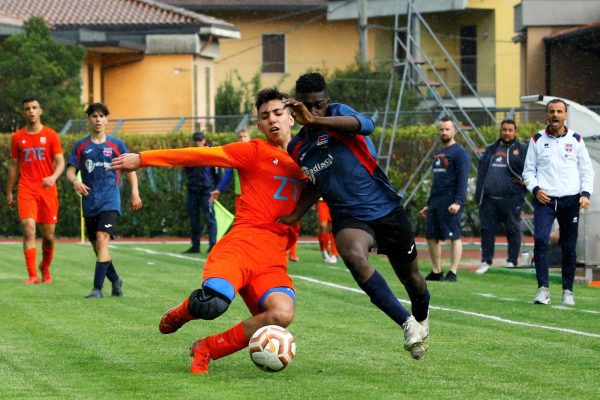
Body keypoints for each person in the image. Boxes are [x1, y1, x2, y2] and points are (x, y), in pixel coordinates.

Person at [108, 88, 305, 374]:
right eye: (265, 116)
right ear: (259, 125)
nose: (272, 120)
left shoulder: (310, 161)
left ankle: (208, 348)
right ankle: (184, 311)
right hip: (240, 247)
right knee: (212, 304)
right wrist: (143, 158)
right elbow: (199, 155)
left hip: (273, 260)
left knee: (281, 314)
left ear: (292, 117)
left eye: (278, 113)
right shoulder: (252, 152)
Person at [281, 72, 430, 360]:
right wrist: (294, 214)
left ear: (327, 102)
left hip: (385, 209)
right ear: (296, 107)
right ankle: (407, 322)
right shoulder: (297, 148)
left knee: (413, 280)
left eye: (319, 104)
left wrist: (318, 120)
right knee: (352, 254)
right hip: (349, 217)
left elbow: (368, 125)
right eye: (308, 106)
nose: (315, 110)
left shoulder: (338, 116)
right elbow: (316, 181)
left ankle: (421, 317)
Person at [66, 102, 142, 298]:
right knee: (98, 247)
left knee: (102, 239)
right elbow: (70, 170)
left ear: (106, 119)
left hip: (110, 200)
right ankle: (115, 279)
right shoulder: (81, 145)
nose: (98, 119)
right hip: (90, 202)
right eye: (94, 116)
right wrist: (75, 181)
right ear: (88, 120)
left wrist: (135, 192)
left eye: (101, 116)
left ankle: (97, 289)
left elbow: (130, 170)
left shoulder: (116, 145)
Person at [523, 99, 594, 305]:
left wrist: (586, 194)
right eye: (552, 111)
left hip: (570, 200)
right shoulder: (536, 140)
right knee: (541, 239)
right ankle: (543, 289)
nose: (555, 115)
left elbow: (586, 170)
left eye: (559, 112)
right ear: (547, 114)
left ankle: (567, 291)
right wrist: (535, 189)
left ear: (565, 115)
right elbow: (528, 171)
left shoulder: (576, 140)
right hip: (544, 200)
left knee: (569, 246)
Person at [6, 96, 65, 284]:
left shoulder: (51, 135)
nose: (31, 111)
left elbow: (60, 161)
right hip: (26, 189)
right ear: (23, 113)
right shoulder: (17, 137)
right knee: (28, 229)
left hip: (47, 189)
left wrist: (53, 177)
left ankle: (45, 268)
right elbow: (14, 166)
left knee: (48, 236)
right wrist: (9, 191)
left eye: (34, 108)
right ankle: (32, 274)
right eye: (27, 108)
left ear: (40, 111)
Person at [419, 117, 470, 282]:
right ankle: (436, 271)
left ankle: (453, 272)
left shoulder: (460, 153)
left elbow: (463, 180)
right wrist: (429, 204)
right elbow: (436, 181)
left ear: (454, 130)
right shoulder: (439, 153)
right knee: (431, 236)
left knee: (454, 236)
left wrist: (458, 202)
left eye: (447, 129)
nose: (444, 132)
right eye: (441, 129)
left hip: (451, 201)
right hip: (436, 201)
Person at [474, 119, 528, 274]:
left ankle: (511, 261)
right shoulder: (491, 148)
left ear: (515, 132)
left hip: (511, 199)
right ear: (500, 131)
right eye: (504, 129)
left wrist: (524, 183)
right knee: (487, 230)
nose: (507, 133)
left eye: (510, 130)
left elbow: (531, 169)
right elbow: (482, 171)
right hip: (490, 199)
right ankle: (486, 261)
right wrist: (480, 195)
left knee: (512, 230)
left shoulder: (521, 149)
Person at [182, 131, 220, 254]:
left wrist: (215, 188)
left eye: (200, 140)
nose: (198, 142)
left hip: (206, 191)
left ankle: (213, 245)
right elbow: (187, 172)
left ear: (204, 141)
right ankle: (195, 245)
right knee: (194, 219)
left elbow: (217, 174)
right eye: (196, 140)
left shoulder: (210, 155)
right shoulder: (189, 155)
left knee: (210, 218)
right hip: (193, 191)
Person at [317, 198, 338, 263]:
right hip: (322, 201)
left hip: (334, 201)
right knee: (323, 226)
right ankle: (323, 250)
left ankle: (334, 254)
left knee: (333, 228)